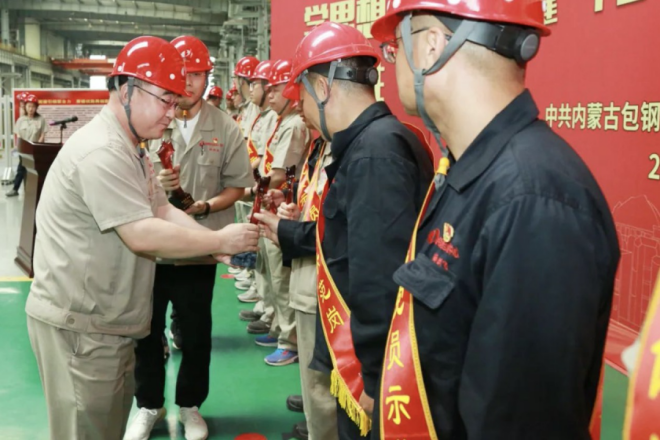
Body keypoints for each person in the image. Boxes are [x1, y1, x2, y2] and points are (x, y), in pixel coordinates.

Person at [366, 2, 621, 439]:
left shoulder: (533, 201)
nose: (392, 65)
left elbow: (517, 422)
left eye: (394, 47)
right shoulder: (472, 173)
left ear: (430, 47)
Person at [25, 36, 258, 440]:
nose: (172, 113)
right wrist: (219, 243)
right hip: (81, 328)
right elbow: (140, 233)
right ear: (126, 90)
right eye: (164, 100)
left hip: (107, 322)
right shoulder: (102, 151)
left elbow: (161, 209)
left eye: (175, 101)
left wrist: (214, 244)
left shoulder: (132, 148)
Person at [254, 22, 434, 438]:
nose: (301, 108)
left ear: (322, 88)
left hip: (376, 366)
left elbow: (379, 275)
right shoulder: (373, 143)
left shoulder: (375, 153)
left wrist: (374, 375)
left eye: (302, 96)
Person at [124, 35, 254, 440]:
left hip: (200, 248)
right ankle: (148, 405)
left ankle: (190, 406)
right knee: (145, 331)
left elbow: (238, 185)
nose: (189, 82)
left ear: (206, 77)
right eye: (182, 74)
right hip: (151, 250)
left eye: (197, 74)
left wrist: (206, 207)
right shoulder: (148, 121)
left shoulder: (225, 127)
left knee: (196, 333)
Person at [250, 59, 310, 366]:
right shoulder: (279, 121)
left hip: (283, 209)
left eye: (276, 89)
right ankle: (279, 328)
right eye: (269, 89)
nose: (270, 95)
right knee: (271, 272)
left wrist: (250, 188)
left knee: (281, 277)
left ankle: (290, 340)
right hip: (274, 204)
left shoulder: (294, 125)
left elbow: (277, 174)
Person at [6, 93, 46, 197]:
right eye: (29, 106)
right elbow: (18, 134)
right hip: (24, 150)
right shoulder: (21, 120)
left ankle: (37, 190)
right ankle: (15, 189)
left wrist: (38, 146)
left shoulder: (40, 119)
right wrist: (22, 146)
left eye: (33, 106)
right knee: (21, 169)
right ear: (26, 107)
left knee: (36, 170)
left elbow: (42, 134)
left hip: (36, 149)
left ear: (36, 107)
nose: (31, 109)